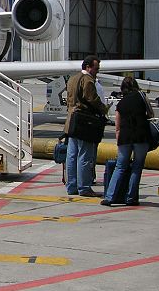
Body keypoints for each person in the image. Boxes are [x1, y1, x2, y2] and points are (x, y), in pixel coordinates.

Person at [102, 75, 153, 206]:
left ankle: (109, 197)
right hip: (141, 136)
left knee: (120, 167)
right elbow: (151, 114)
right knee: (137, 167)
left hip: (125, 137)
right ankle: (131, 198)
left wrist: (118, 141)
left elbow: (117, 127)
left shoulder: (121, 104)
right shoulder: (142, 97)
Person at [64, 55, 107, 197]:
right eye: (96, 68)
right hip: (84, 122)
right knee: (84, 155)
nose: (97, 71)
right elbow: (92, 99)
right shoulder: (87, 80)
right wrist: (103, 109)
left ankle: (72, 186)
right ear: (88, 67)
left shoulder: (72, 79)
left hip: (71, 121)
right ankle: (84, 187)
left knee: (71, 155)